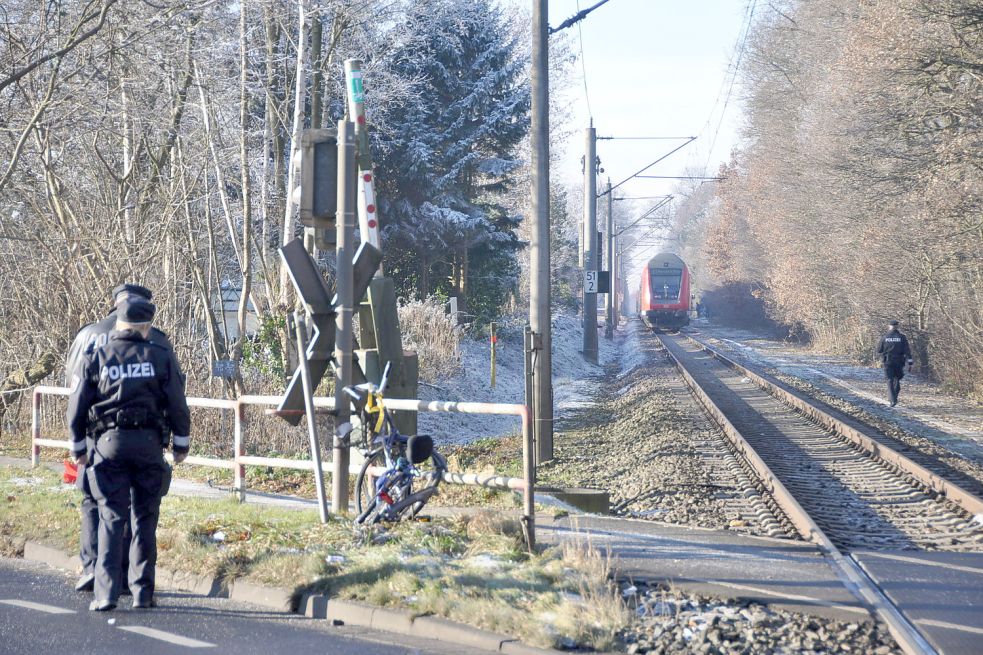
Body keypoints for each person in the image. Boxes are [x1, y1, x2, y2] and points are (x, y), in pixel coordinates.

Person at [67, 299, 191, 611]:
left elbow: (78, 402)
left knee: (111, 517)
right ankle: (142, 593)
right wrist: (181, 445)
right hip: (149, 446)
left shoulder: (98, 355)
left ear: (118, 324)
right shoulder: (160, 356)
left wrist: (79, 446)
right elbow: (177, 403)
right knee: (145, 519)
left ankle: (105, 593)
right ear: (147, 327)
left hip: (109, 445)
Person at [876, 319, 913, 407]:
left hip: (888, 361)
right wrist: (910, 362)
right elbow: (907, 351)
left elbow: (879, 350)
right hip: (899, 362)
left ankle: (892, 400)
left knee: (889, 380)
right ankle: (894, 397)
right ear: (897, 327)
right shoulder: (902, 337)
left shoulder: (884, 337)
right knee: (896, 379)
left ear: (889, 326)